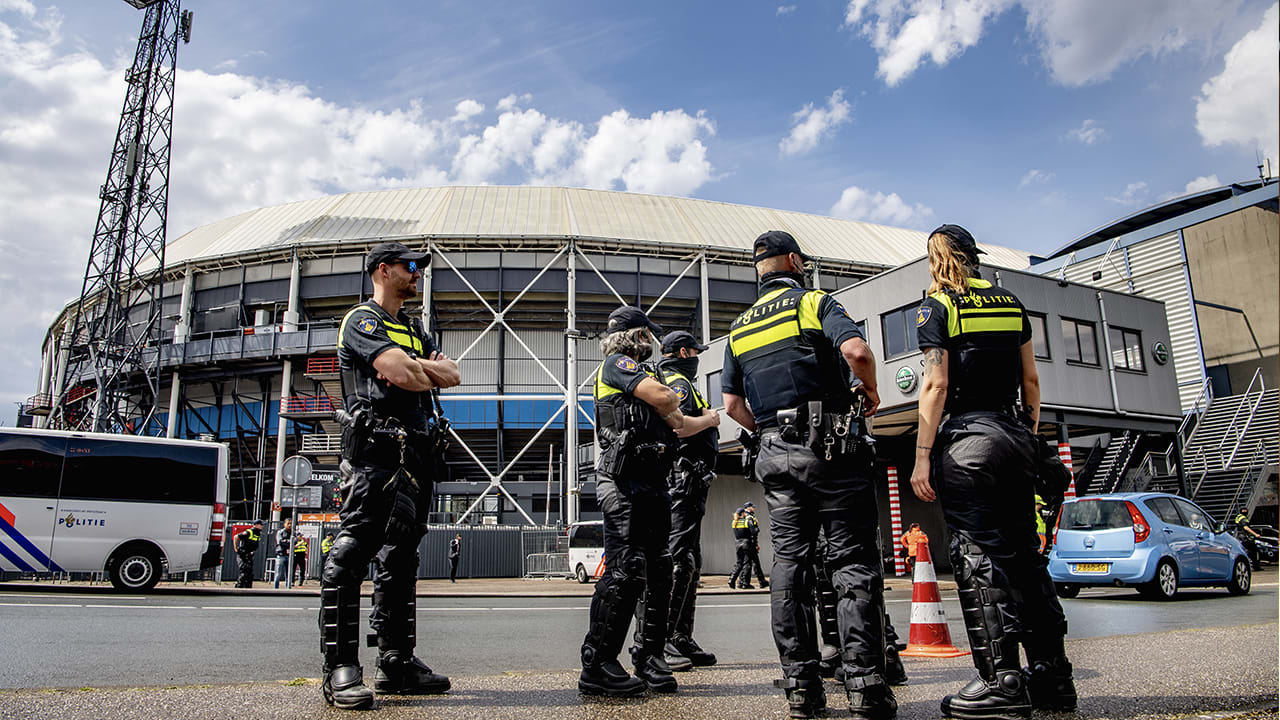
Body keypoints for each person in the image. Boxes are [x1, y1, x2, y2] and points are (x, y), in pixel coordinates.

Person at [723, 230, 895, 720]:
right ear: (794, 261)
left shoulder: (739, 327)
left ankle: (802, 691)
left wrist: (774, 433)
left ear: (759, 269)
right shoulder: (814, 301)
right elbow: (858, 352)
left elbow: (733, 405)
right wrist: (872, 391)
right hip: (831, 450)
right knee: (851, 563)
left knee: (789, 567)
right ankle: (865, 690)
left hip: (776, 458)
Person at [909, 224, 1076, 718]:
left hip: (968, 444)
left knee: (979, 559)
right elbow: (1031, 380)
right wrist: (1024, 435)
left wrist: (922, 455)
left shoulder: (935, 307)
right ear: (976, 257)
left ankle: (1001, 683)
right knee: (1026, 559)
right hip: (1017, 436)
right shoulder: (1010, 302)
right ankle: (1052, 677)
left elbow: (936, 385)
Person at [318, 242, 462, 710]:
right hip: (375, 452)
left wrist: (413, 370)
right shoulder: (362, 321)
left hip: (417, 454)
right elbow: (402, 372)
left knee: (402, 556)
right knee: (353, 550)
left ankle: (397, 661)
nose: (417, 272)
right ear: (384, 270)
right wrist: (417, 371)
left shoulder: (413, 327)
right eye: (410, 266)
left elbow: (452, 374)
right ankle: (340, 668)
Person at [578, 305, 684, 697]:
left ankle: (649, 656)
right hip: (622, 482)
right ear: (637, 335)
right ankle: (598, 664)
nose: (653, 342)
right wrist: (668, 398)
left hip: (652, 482)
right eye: (648, 334)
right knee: (624, 573)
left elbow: (678, 419)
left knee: (660, 570)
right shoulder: (617, 363)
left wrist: (705, 420)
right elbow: (664, 398)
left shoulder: (644, 372)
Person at [654, 330, 721, 669]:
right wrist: (709, 419)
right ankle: (663, 639)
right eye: (695, 351)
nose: (698, 357)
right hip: (683, 479)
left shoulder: (673, 378)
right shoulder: (676, 380)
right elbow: (677, 427)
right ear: (683, 352)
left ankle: (681, 635)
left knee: (690, 560)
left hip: (691, 482)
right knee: (679, 558)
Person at [743, 504, 770, 588]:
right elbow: (754, 531)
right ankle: (746, 583)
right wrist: (757, 528)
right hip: (750, 544)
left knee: (750, 562)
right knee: (752, 563)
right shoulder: (750, 518)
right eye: (752, 507)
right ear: (748, 508)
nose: (754, 508)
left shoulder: (744, 517)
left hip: (745, 543)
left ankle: (745, 582)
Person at [729, 508, 755, 589]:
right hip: (746, 543)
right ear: (742, 514)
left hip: (737, 544)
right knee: (747, 563)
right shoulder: (746, 521)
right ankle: (745, 583)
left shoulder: (734, 522)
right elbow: (754, 531)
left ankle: (732, 579)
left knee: (739, 563)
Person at [232, 520, 263, 588]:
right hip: (242, 554)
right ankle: (238, 587)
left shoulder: (258, 533)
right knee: (244, 571)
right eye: (261, 525)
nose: (262, 526)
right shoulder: (249, 532)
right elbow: (236, 537)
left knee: (249, 573)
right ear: (256, 525)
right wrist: (235, 548)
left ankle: (248, 588)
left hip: (249, 555)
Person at [273, 517, 293, 590]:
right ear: (284, 524)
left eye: (291, 523)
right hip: (281, 555)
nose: (290, 525)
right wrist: (289, 542)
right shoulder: (280, 532)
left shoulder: (293, 532)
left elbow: (296, 540)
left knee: (289, 574)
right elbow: (280, 542)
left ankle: (288, 588)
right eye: (288, 523)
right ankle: (275, 589)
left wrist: (287, 541)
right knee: (278, 573)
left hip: (289, 555)